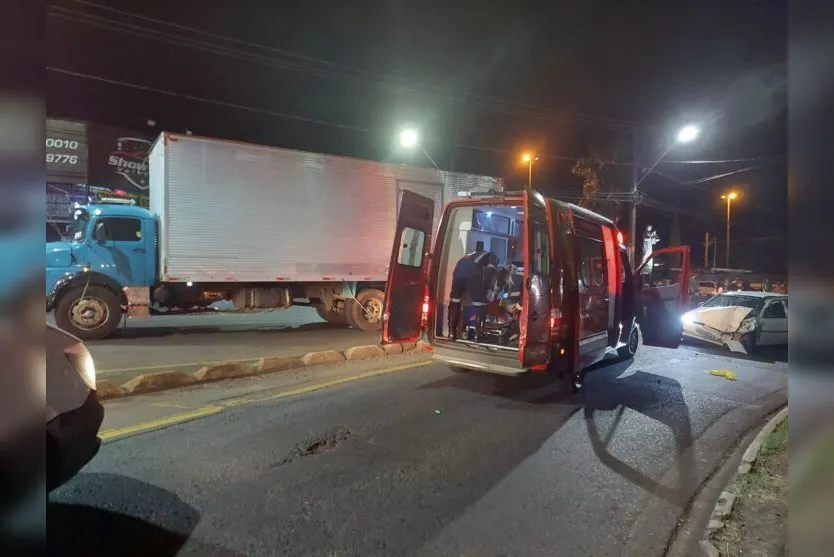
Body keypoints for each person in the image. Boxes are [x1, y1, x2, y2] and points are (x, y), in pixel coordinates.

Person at [448, 241, 499, 341]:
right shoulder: (492, 256)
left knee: (455, 301)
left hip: (457, 271)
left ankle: (451, 333)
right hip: (472, 271)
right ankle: (478, 335)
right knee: (481, 304)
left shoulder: (471, 255)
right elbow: (490, 273)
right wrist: (487, 289)